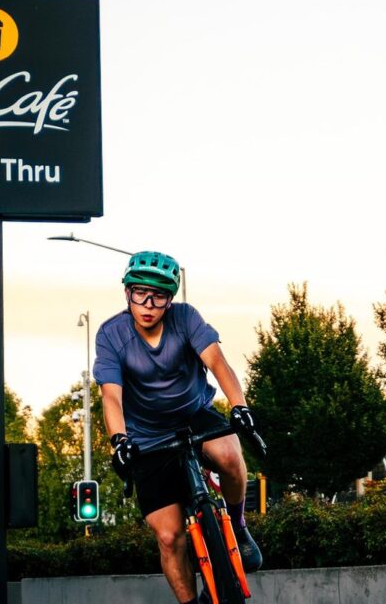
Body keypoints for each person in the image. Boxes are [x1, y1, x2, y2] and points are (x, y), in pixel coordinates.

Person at [95, 250, 264, 603]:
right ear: (127, 293)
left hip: (192, 414)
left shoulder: (186, 319)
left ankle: (238, 525)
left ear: (170, 300)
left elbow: (217, 362)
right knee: (170, 537)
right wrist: (119, 440)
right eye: (140, 293)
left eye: (159, 296)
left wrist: (240, 406)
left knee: (230, 456)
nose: (148, 304)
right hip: (146, 436)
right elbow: (111, 396)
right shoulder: (111, 334)